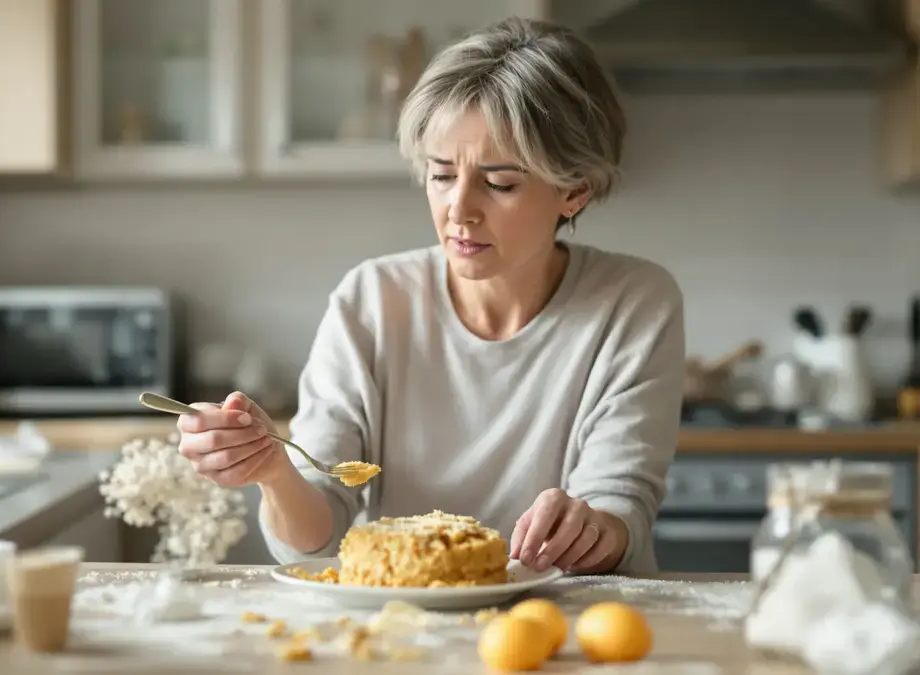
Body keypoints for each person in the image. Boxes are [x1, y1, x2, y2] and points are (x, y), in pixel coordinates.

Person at [176, 17, 684, 575]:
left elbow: (621, 513)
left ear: (574, 190)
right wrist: (274, 472)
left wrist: (589, 526)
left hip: (567, 632)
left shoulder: (633, 303)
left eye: (500, 183)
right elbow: (314, 544)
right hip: (408, 628)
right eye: (441, 176)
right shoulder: (372, 301)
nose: (458, 211)